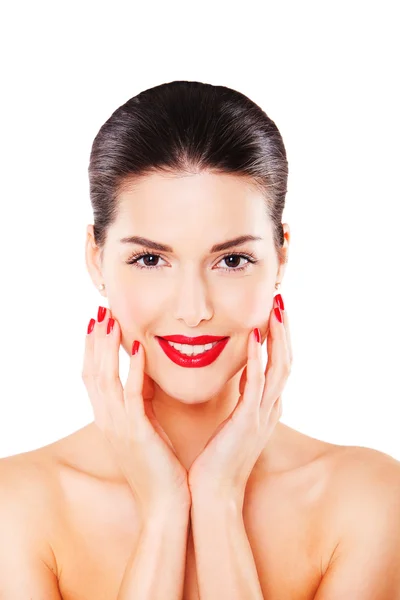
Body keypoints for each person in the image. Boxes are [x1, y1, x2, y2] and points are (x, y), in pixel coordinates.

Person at [1, 80, 399, 599]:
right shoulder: (17, 508)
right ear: (96, 260)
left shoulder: (369, 501)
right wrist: (165, 512)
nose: (194, 310)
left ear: (281, 259)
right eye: (150, 259)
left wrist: (218, 504)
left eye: (232, 260)